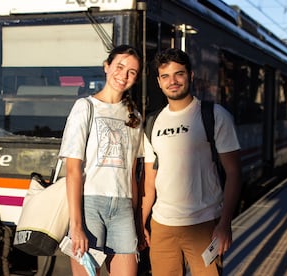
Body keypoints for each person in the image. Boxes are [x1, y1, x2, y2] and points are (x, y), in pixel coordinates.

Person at [140, 48, 242, 276]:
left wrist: (225, 224)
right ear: (158, 81)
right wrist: (142, 221)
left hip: (204, 223)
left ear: (191, 75)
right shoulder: (152, 123)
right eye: (165, 76)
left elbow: (234, 172)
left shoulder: (215, 115)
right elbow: (150, 180)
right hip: (162, 226)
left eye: (179, 74)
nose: (172, 81)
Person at [59, 45, 143, 276]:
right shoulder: (84, 107)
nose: (124, 75)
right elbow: (73, 170)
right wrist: (76, 225)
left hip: (123, 208)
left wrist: (136, 219)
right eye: (120, 66)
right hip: (89, 207)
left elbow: (132, 173)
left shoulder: (134, 117)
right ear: (107, 67)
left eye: (132, 72)